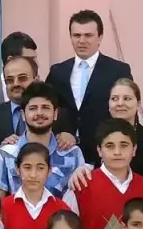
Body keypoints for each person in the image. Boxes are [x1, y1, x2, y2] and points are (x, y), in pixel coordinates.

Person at [46, 10, 133, 164]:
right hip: (64, 152)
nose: (82, 40)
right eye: (77, 35)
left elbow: (127, 111)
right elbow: (50, 106)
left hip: (104, 153)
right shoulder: (58, 72)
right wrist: (62, 131)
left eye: (88, 35)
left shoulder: (118, 70)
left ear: (99, 37)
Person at [0, 82, 85, 198]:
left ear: (55, 114)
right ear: (23, 115)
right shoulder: (5, 153)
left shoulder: (73, 153)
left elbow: (80, 198)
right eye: (33, 108)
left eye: (45, 107)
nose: (39, 113)